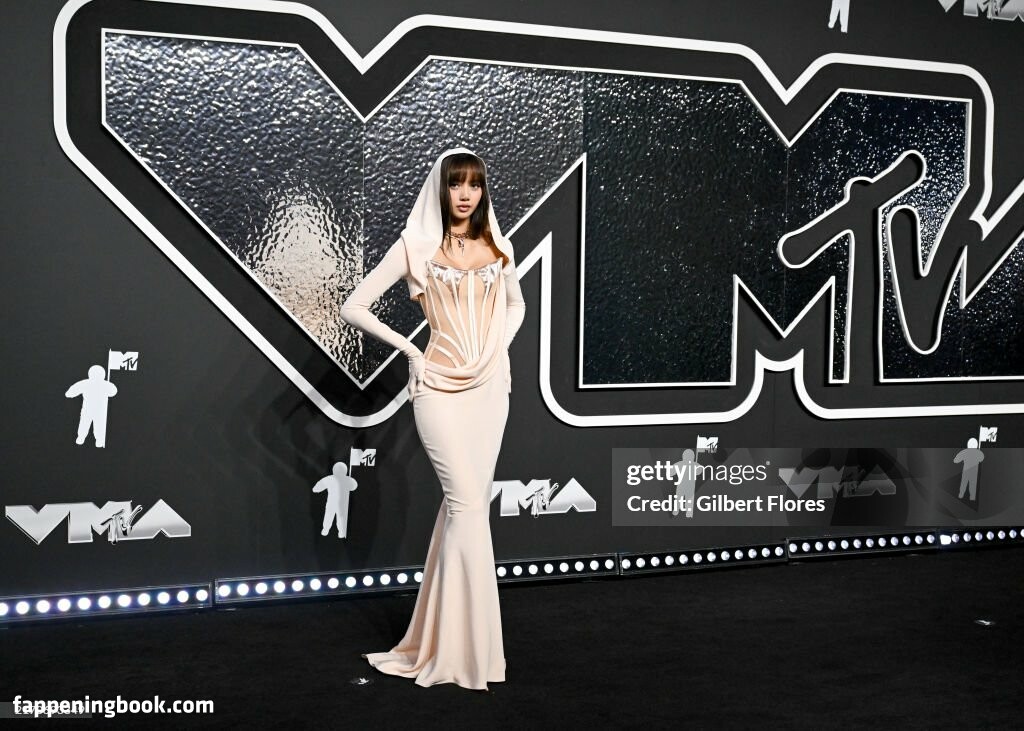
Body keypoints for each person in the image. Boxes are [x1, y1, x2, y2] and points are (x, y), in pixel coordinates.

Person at [339, 147, 526, 690]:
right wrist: (411, 351)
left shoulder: (498, 244)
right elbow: (353, 306)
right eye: (455, 184)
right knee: (466, 505)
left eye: (474, 184)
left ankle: (456, 645)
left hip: (490, 390)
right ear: (439, 189)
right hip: (438, 386)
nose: (465, 194)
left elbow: (515, 305)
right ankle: (469, 653)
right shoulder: (416, 245)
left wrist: (497, 349)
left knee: (466, 510)